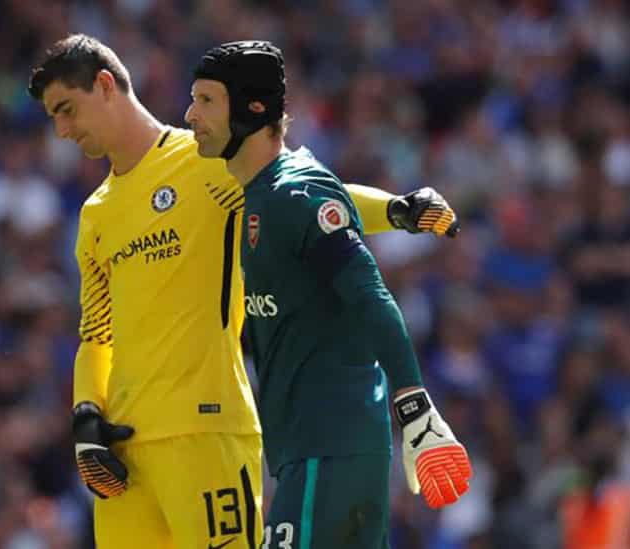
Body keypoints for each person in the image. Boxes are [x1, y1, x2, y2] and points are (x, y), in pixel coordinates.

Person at [27, 34, 459, 549]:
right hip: (125, 456)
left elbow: (303, 200)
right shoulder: (96, 214)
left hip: (205, 432)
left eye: (66, 110)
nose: (62, 130)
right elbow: (97, 334)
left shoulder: (207, 159)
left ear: (104, 85)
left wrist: (396, 210)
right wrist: (85, 417)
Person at [185, 40, 472, 548]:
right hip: (320, 449)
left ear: (253, 109)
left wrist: (417, 412)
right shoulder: (264, 192)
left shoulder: (292, 192)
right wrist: (398, 210)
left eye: (206, 101)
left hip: (329, 446)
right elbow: (335, 200)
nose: (190, 116)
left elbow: (370, 294)